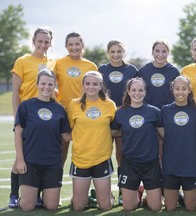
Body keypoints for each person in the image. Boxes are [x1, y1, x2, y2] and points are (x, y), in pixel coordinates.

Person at [10, 27, 55, 208]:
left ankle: (38, 194)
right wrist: (17, 119)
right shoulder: (22, 61)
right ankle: (14, 194)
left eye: (46, 42)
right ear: (33, 41)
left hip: (46, 115)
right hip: (27, 116)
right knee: (21, 156)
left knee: (42, 155)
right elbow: (15, 94)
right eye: (40, 41)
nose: (43, 45)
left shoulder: (53, 62)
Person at [14, 69, 71, 212]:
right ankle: (28, 195)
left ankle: (40, 192)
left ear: (54, 86)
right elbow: (18, 133)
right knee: (27, 207)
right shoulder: (25, 106)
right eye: (43, 83)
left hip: (52, 163)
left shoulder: (60, 109)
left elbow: (66, 137)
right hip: (31, 162)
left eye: (50, 84)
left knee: (51, 206)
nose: (46, 87)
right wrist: (20, 160)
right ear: (37, 84)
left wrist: (91, 127)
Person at [111, 77, 163, 212]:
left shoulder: (154, 112)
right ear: (128, 92)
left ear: (145, 92)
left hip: (151, 163)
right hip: (129, 163)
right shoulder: (120, 113)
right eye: (133, 90)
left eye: (141, 90)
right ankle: (139, 192)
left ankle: (149, 197)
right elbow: (111, 132)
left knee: (156, 207)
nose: (137, 93)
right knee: (129, 207)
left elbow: (165, 135)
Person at [67, 71, 116, 211]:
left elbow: (113, 129)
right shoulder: (74, 105)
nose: (91, 87)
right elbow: (70, 128)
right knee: (78, 207)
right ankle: (83, 197)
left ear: (100, 86)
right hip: (80, 159)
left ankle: (106, 196)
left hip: (102, 158)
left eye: (95, 84)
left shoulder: (109, 105)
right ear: (83, 85)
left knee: (106, 206)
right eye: (87, 83)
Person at [98, 40, 138, 205]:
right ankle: (104, 192)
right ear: (108, 52)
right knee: (103, 153)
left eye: (119, 51)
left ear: (124, 52)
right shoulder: (102, 70)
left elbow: (136, 91)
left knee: (122, 154)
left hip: (124, 117)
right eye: (112, 51)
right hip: (105, 117)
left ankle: (123, 190)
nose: (116, 55)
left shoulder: (132, 70)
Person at [54, 32, 97, 166]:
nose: (74, 47)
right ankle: (55, 182)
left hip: (84, 111)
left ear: (82, 45)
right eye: (70, 44)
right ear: (66, 46)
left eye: (77, 44)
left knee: (85, 149)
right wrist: (57, 101)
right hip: (63, 111)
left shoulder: (91, 66)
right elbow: (50, 85)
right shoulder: (58, 64)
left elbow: (96, 89)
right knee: (61, 150)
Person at [161, 75, 196, 212]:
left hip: (191, 164)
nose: (180, 92)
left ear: (189, 90)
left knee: (191, 208)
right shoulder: (165, 110)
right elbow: (162, 135)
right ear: (172, 90)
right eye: (177, 88)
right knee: (170, 207)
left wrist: (190, 145)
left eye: (184, 88)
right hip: (171, 163)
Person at [138, 40, 180, 109]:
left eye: (164, 51)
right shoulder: (143, 71)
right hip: (148, 112)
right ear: (152, 52)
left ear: (168, 53)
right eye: (157, 51)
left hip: (168, 112)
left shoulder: (174, 71)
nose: (160, 54)